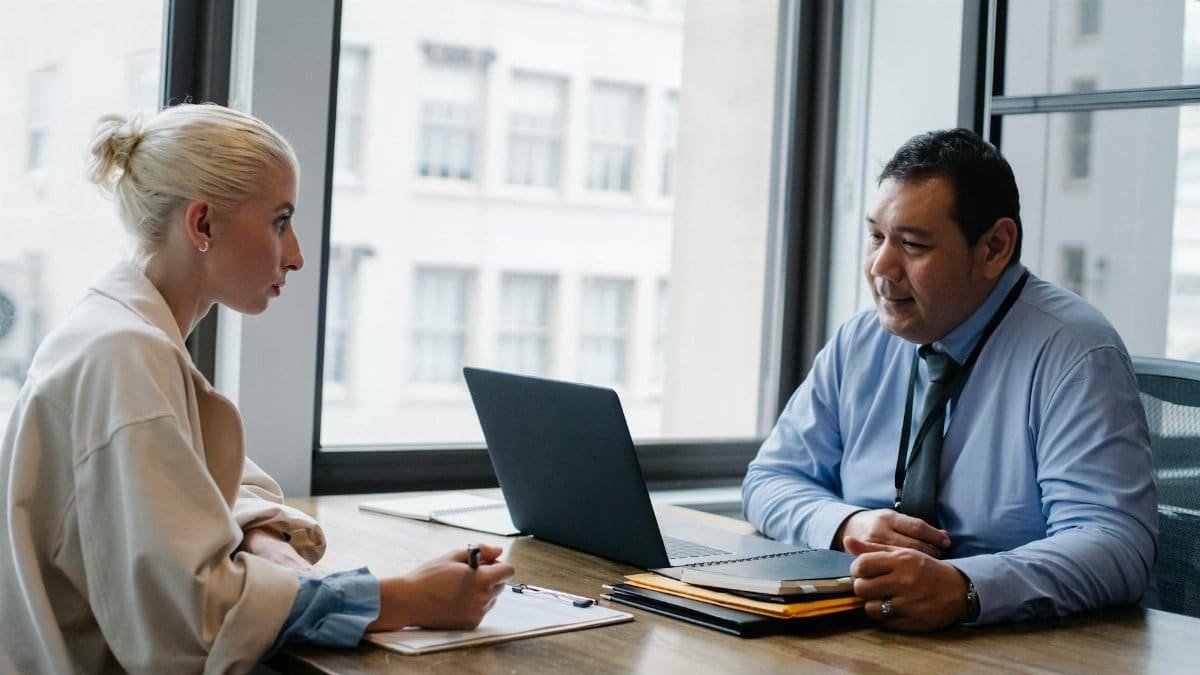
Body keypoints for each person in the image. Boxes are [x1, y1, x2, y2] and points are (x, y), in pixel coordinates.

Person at [0, 103, 514, 673]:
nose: (294, 256)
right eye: (280, 221)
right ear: (202, 224)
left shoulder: (118, 332)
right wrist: (408, 598)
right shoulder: (125, 354)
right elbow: (196, 620)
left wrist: (261, 538)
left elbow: (188, 490)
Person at [742, 128, 1157, 631]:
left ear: (994, 248)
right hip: (866, 633)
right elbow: (769, 479)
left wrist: (966, 587)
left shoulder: (1074, 351)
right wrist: (848, 525)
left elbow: (1115, 544)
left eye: (913, 245)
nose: (881, 267)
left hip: (1014, 647)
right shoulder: (861, 341)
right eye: (876, 236)